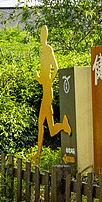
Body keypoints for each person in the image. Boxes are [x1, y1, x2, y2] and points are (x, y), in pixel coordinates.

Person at [33, 26, 71, 162]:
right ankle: (63, 126)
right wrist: (39, 78)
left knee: (40, 123)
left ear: (46, 36)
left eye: (43, 35)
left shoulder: (48, 49)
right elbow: (44, 77)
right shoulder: (43, 51)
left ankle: (38, 153)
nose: (42, 37)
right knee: (50, 127)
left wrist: (50, 81)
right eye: (41, 35)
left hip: (48, 92)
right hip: (45, 90)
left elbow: (56, 68)